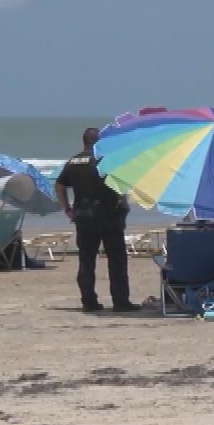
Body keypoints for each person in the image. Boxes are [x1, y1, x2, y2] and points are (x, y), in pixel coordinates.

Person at [54, 128, 137, 312]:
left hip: (83, 214)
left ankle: (89, 301)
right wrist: (123, 204)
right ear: (100, 142)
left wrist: (67, 208)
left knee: (86, 260)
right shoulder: (107, 161)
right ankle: (120, 301)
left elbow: (59, 185)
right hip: (108, 213)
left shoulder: (74, 161)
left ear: (84, 142)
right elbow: (120, 185)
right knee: (116, 260)